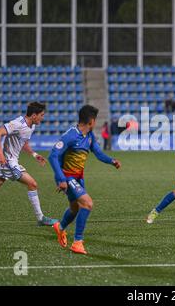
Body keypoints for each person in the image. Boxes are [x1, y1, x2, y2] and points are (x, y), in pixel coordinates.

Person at [49, 105, 121, 255]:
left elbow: (99, 153)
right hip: (67, 177)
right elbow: (53, 156)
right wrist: (61, 179)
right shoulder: (71, 135)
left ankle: (60, 227)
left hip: (78, 178)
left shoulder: (89, 136)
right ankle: (77, 242)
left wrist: (111, 161)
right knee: (87, 204)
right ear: (91, 121)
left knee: (75, 208)